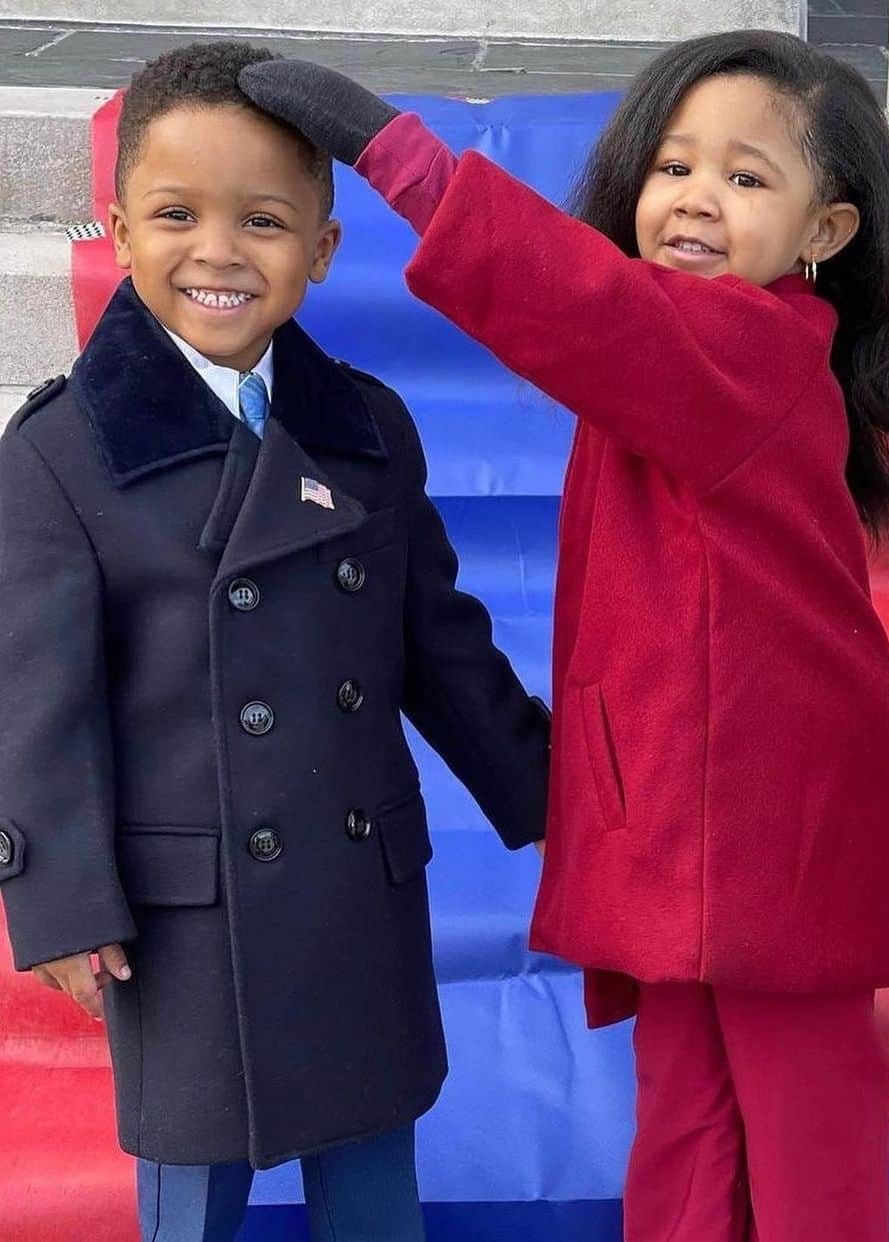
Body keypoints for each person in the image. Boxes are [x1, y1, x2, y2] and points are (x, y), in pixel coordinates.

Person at [241, 28, 889, 1241]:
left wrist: (392, 152)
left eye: (746, 178)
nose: (694, 199)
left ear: (823, 234)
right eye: (674, 166)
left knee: (806, 1121)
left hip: (777, 828)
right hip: (694, 820)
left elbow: (575, 301)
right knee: (689, 1105)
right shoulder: (686, 347)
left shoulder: (746, 347)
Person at [0, 40, 550, 1242]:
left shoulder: (368, 431)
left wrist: (561, 795)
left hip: (355, 890)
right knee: (193, 1204)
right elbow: (37, 704)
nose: (217, 251)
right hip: (188, 921)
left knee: (373, 1195)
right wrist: (57, 898)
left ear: (323, 248)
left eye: (262, 220)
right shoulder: (57, 453)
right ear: (116, 229)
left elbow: (440, 649)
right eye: (175, 214)